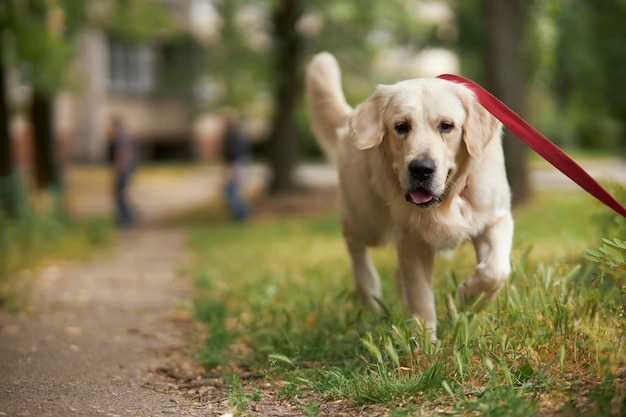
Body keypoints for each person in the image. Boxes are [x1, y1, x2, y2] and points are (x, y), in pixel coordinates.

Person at [222, 112, 252, 221]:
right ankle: (245, 210)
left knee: (232, 192)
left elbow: (233, 153)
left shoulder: (232, 135)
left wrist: (231, 168)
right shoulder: (238, 133)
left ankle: (243, 213)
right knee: (234, 191)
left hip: (234, 165)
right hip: (238, 164)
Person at [108, 116, 137, 228]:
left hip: (123, 169)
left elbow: (120, 155)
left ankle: (125, 218)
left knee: (119, 195)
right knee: (122, 194)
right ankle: (127, 216)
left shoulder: (119, 137)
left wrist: (118, 170)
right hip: (128, 168)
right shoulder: (126, 136)